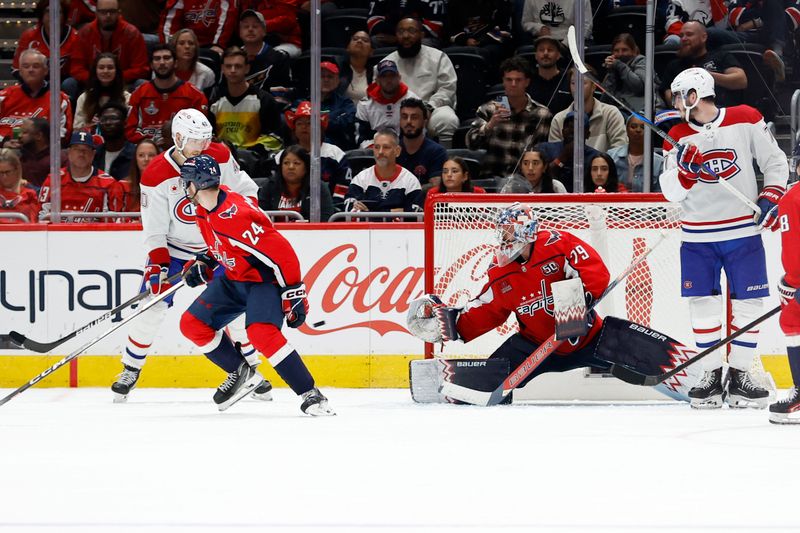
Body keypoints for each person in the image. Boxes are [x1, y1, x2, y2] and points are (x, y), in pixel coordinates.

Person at [410, 202, 702, 402]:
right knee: (492, 374)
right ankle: (445, 384)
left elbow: (595, 273)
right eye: (501, 233)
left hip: (589, 337)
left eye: (508, 233)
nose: (503, 239)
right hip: (534, 344)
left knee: (651, 354)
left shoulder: (558, 244)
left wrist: (581, 299)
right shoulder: (499, 272)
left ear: (525, 232)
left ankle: (704, 383)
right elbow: (488, 309)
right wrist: (450, 324)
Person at [110, 108, 268, 402]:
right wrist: (157, 264)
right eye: (196, 140)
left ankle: (253, 371)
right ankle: (131, 368)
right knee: (151, 307)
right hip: (175, 251)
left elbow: (245, 191)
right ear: (179, 137)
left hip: (217, 247)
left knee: (235, 308)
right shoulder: (157, 173)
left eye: (206, 140)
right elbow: (154, 229)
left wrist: (240, 224)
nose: (203, 147)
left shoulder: (218, 155)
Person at [659, 67, 787, 409]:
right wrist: (685, 174)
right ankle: (711, 375)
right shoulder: (676, 134)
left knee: (749, 304)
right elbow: (670, 193)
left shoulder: (746, 118)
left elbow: (775, 162)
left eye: (678, 94)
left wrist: (771, 195)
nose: (674, 102)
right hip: (698, 235)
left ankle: (742, 375)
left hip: (743, 230)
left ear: (694, 94)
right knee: (703, 305)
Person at [177, 153, 334, 414]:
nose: (184, 187)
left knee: (261, 333)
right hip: (234, 278)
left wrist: (294, 294)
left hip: (263, 282)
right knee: (192, 324)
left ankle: (312, 395)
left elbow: (281, 253)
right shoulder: (204, 208)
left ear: (197, 184)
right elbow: (224, 244)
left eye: (186, 182)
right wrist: (204, 262)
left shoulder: (236, 216)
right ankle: (242, 373)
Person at [467, 56, 552, 179]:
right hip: (492, 178)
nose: (513, 84)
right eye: (509, 80)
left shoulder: (542, 114)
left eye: (518, 80)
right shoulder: (489, 109)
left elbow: (543, 153)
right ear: (503, 81)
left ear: (527, 82)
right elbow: (471, 144)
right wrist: (490, 125)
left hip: (527, 180)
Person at [383, 18, 459, 146]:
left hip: (431, 108)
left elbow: (447, 89)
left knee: (447, 119)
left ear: (421, 35)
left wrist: (428, 108)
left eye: (411, 31)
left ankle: (445, 161)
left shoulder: (438, 57)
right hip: (398, 112)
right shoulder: (386, 63)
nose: (406, 36)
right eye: (401, 32)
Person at [125, 44, 209, 144]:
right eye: (157, 59)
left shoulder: (195, 95)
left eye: (167, 58)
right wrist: (154, 143)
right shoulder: (139, 94)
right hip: (147, 151)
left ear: (176, 63)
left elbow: (202, 132)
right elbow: (130, 132)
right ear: (151, 65)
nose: (162, 62)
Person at [207, 47, 283, 154]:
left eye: (238, 66)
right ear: (222, 69)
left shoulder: (264, 100)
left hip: (254, 160)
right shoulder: (215, 101)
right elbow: (209, 136)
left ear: (247, 68)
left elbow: (276, 139)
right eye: (228, 66)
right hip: (222, 158)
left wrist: (247, 151)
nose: (233, 70)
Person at [38, 131, 123, 222]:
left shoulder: (108, 184)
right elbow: (41, 217)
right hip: (59, 234)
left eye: (86, 149)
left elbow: (114, 222)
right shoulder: (54, 179)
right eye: (77, 149)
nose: (81, 154)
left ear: (93, 154)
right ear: (69, 152)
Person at [659, 21, 747, 108]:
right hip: (689, 113)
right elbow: (670, 100)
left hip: (723, 112)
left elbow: (741, 80)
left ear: (703, 37)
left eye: (689, 34)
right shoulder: (674, 65)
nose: (683, 39)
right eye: (681, 36)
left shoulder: (721, 56)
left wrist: (706, 75)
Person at [282, 101, 351, 209]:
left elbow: (343, 186)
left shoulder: (335, 154)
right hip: (290, 210)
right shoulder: (282, 156)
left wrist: (332, 207)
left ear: (320, 128)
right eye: (299, 123)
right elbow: (276, 187)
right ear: (294, 129)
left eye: (309, 123)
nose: (304, 127)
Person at [770, 178, 800, 423]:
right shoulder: (790, 197)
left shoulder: (792, 197)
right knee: (793, 326)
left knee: (793, 326)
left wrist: (793, 281)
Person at [0, 49, 73, 148]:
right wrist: (4, 143)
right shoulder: (4, 96)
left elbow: (62, 136)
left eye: (36, 66)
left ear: (45, 71)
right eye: (26, 66)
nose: (30, 70)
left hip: (41, 156)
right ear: (20, 71)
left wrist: (34, 145)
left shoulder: (59, 99)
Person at [548, 66, 627, 153]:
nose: (577, 88)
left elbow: (619, 150)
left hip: (603, 166)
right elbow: (554, 154)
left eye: (583, 83)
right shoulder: (559, 119)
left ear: (594, 86)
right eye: (573, 83)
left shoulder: (611, 114)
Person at [70, 0, 149, 86]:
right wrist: (98, 79)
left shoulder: (132, 33)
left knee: (141, 83)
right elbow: (76, 69)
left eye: (112, 11)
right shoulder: (84, 33)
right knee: (70, 84)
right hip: (92, 85)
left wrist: (113, 77)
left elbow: (141, 69)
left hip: (123, 84)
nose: (108, 16)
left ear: (119, 13)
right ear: (96, 13)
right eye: (103, 12)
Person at [344, 128, 423, 215]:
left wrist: (368, 214)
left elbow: (414, 217)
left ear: (397, 151)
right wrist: (394, 212)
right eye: (377, 147)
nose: (380, 152)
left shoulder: (411, 182)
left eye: (386, 147)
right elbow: (349, 211)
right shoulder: (360, 179)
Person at [258, 144, 336, 221]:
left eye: (296, 163)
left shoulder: (317, 187)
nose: (291, 167)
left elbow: (326, 218)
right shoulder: (270, 186)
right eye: (286, 163)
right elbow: (259, 216)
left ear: (306, 168)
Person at [356, 59, 419, 148]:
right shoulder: (365, 104)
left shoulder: (413, 100)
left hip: (406, 148)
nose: (389, 80)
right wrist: (380, 149)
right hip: (375, 151)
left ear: (399, 78)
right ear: (377, 80)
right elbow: (361, 137)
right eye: (384, 76)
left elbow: (419, 133)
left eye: (392, 76)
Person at [13, 0, 80, 83]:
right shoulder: (29, 36)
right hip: (36, 83)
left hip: (64, 83)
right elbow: (16, 69)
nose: (53, 16)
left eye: (58, 12)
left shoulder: (76, 37)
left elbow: (78, 70)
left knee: (69, 83)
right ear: (42, 15)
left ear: (64, 16)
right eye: (48, 11)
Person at [536, 111, 601, 192]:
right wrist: (563, 157)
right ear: (562, 131)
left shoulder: (595, 156)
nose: (572, 131)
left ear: (587, 134)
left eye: (578, 128)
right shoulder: (546, 149)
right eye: (569, 126)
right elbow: (539, 176)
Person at [238, 9, 292, 96]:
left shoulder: (279, 57)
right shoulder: (231, 58)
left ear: (264, 31)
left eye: (255, 26)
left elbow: (284, 92)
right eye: (246, 26)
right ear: (240, 32)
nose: (250, 29)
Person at [73, 53, 132, 132]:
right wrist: (91, 126)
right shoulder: (84, 98)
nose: (105, 71)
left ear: (117, 71)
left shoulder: (127, 97)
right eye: (101, 67)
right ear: (95, 71)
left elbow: (131, 128)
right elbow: (77, 130)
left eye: (110, 67)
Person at [601, 33, 657, 114]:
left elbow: (639, 88)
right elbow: (605, 99)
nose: (620, 54)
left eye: (624, 50)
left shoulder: (642, 62)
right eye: (616, 51)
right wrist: (611, 72)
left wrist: (619, 66)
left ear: (634, 51)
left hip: (644, 111)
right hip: (621, 110)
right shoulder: (614, 66)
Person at [446, 0, 514, 66]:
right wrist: (465, 40)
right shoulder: (454, 3)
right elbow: (451, 30)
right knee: (452, 52)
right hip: (463, 41)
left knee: (492, 51)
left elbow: (505, 30)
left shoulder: (500, 3)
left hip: (491, 41)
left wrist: (481, 41)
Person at [397, 97, 447, 187]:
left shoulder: (437, 152)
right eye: (404, 117)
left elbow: (435, 187)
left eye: (414, 117)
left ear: (424, 122)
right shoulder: (391, 150)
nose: (408, 121)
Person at [607, 115, 664, 192]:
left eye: (643, 127)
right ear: (626, 130)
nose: (638, 130)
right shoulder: (611, 156)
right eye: (633, 126)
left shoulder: (659, 163)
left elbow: (660, 194)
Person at [160, 0, 237, 54]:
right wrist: (169, 47)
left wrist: (218, 44)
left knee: (216, 55)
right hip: (185, 43)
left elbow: (227, 20)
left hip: (211, 44)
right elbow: (170, 23)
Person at [367, 0, 446, 48]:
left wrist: (399, 39)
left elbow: (434, 27)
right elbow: (373, 21)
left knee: (426, 44)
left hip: (420, 39)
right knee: (374, 40)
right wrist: (400, 35)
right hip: (390, 36)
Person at [316, 61, 357, 151]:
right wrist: (332, 119)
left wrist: (315, 121)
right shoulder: (303, 102)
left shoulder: (346, 103)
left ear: (338, 81)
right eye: (322, 76)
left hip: (338, 150)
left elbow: (348, 122)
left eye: (330, 77)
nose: (326, 80)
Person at [528, 35, 572, 116]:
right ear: (536, 55)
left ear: (558, 55)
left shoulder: (569, 78)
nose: (545, 53)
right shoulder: (528, 80)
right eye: (541, 50)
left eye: (550, 50)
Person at [18, 118, 65, 189]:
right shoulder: (20, 156)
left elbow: (58, 192)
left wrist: (29, 186)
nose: (20, 135)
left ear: (38, 136)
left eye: (24, 132)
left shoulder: (58, 159)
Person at [93, 101, 135, 180]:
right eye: (104, 119)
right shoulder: (94, 155)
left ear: (125, 123)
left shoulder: (135, 155)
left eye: (113, 118)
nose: (108, 123)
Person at [521, 0, 592, 44]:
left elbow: (585, 28)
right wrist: (539, 28)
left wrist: (565, 44)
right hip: (542, 40)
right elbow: (526, 22)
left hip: (571, 42)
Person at [119, 138, 159, 215]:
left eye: (151, 155)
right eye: (141, 155)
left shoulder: (167, 185)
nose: (146, 159)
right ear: (135, 159)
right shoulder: (123, 186)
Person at [0, 149, 39, 224]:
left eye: (7, 172)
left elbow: (33, 224)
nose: (4, 176)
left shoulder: (30, 194)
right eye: (0, 172)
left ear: (17, 169)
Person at [340, 30, 374, 106]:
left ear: (371, 52)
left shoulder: (375, 72)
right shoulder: (338, 69)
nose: (359, 41)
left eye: (365, 40)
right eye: (355, 39)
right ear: (348, 47)